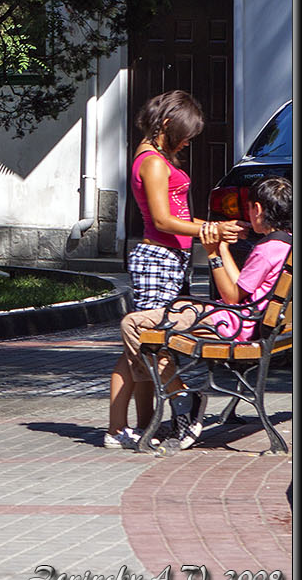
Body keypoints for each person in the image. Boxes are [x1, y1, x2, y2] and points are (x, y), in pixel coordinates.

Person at [106, 175, 292, 450]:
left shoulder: (266, 251)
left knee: (134, 324)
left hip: (231, 324)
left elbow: (230, 296)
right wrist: (222, 247)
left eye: (249, 208)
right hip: (252, 322)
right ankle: (175, 401)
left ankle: (182, 398)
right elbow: (241, 288)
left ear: (257, 210)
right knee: (151, 333)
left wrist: (211, 254)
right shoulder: (284, 245)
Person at [104, 90, 245, 448]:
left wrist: (211, 229)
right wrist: (207, 230)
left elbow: (177, 216)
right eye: (184, 134)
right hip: (158, 259)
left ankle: (142, 424)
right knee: (147, 343)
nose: (186, 142)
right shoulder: (151, 161)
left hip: (170, 258)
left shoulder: (158, 158)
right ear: (166, 123)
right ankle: (121, 428)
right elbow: (164, 220)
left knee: (146, 344)